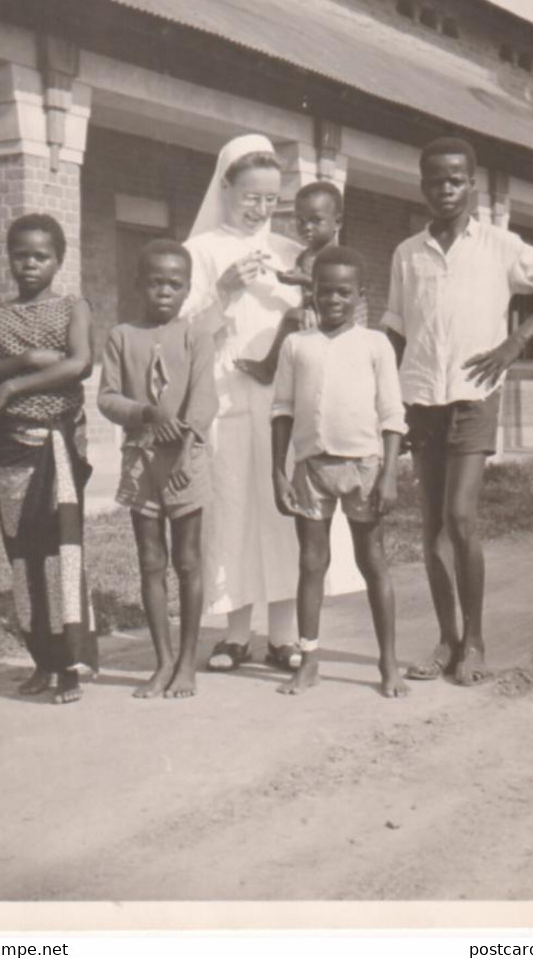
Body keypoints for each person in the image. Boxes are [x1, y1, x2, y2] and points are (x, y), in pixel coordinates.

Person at [382, 136, 533, 686]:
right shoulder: (406, 254)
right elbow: (396, 330)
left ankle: (476, 640)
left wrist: (517, 343)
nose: (445, 188)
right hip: (421, 395)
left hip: (474, 393)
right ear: (422, 185)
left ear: (472, 184)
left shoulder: (499, 245)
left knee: (462, 516)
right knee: (432, 525)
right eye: (434, 179)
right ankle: (446, 641)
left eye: (455, 179)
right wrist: (377, 392)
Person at [180, 134, 312, 672]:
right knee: (232, 506)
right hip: (228, 393)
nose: (260, 208)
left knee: (281, 509)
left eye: (270, 200)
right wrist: (226, 290)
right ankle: (235, 633)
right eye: (250, 196)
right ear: (226, 186)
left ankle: (283, 636)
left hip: (283, 396)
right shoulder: (201, 250)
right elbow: (186, 331)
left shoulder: (289, 251)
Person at [0, 213, 98, 705]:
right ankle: (42, 661)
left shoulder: (71, 308)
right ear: (9, 258)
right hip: (8, 450)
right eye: (20, 254)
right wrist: (21, 362)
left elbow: (79, 363)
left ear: (58, 260)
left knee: (61, 552)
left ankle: (71, 668)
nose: (30, 264)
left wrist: (11, 387)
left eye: (40, 255)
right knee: (22, 555)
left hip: (57, 444)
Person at [271, 246, 409, 697]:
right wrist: (280, 469)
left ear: (360, 295)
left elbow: (391, 415)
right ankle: (308, 659)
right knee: (312, 562)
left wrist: (388, 475)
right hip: (311, 468)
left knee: (373, 562)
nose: (333, 299)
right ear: (311, 292)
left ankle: (388, 663)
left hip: (363, 469)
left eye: (343, 292)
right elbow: (282, 411)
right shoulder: (297, 345)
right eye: (324, 291)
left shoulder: (375, 344)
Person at [98, 239, 217, 699]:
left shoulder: (196, 335)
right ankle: (162, 659)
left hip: (186, 460)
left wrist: (185, 447)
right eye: (155, 282)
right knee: (151, 561)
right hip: (141, 461)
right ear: (138, 284)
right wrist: (146, 413)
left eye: (174, 283)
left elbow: (205, 398)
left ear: (187, 289)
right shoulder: (121, 336)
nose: (164, 291)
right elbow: (107, 397)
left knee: (187, 561)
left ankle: (187, 662)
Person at [234, 180, 345, 385]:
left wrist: (303, 279)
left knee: (292, 316)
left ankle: (268, 367)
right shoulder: (304, 256)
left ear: (337, 222)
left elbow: (338, 289)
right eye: (301, 221)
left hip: (339, 321)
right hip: (314, 317)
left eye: (315, 220)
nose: (306, 227)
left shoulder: (339, 257)